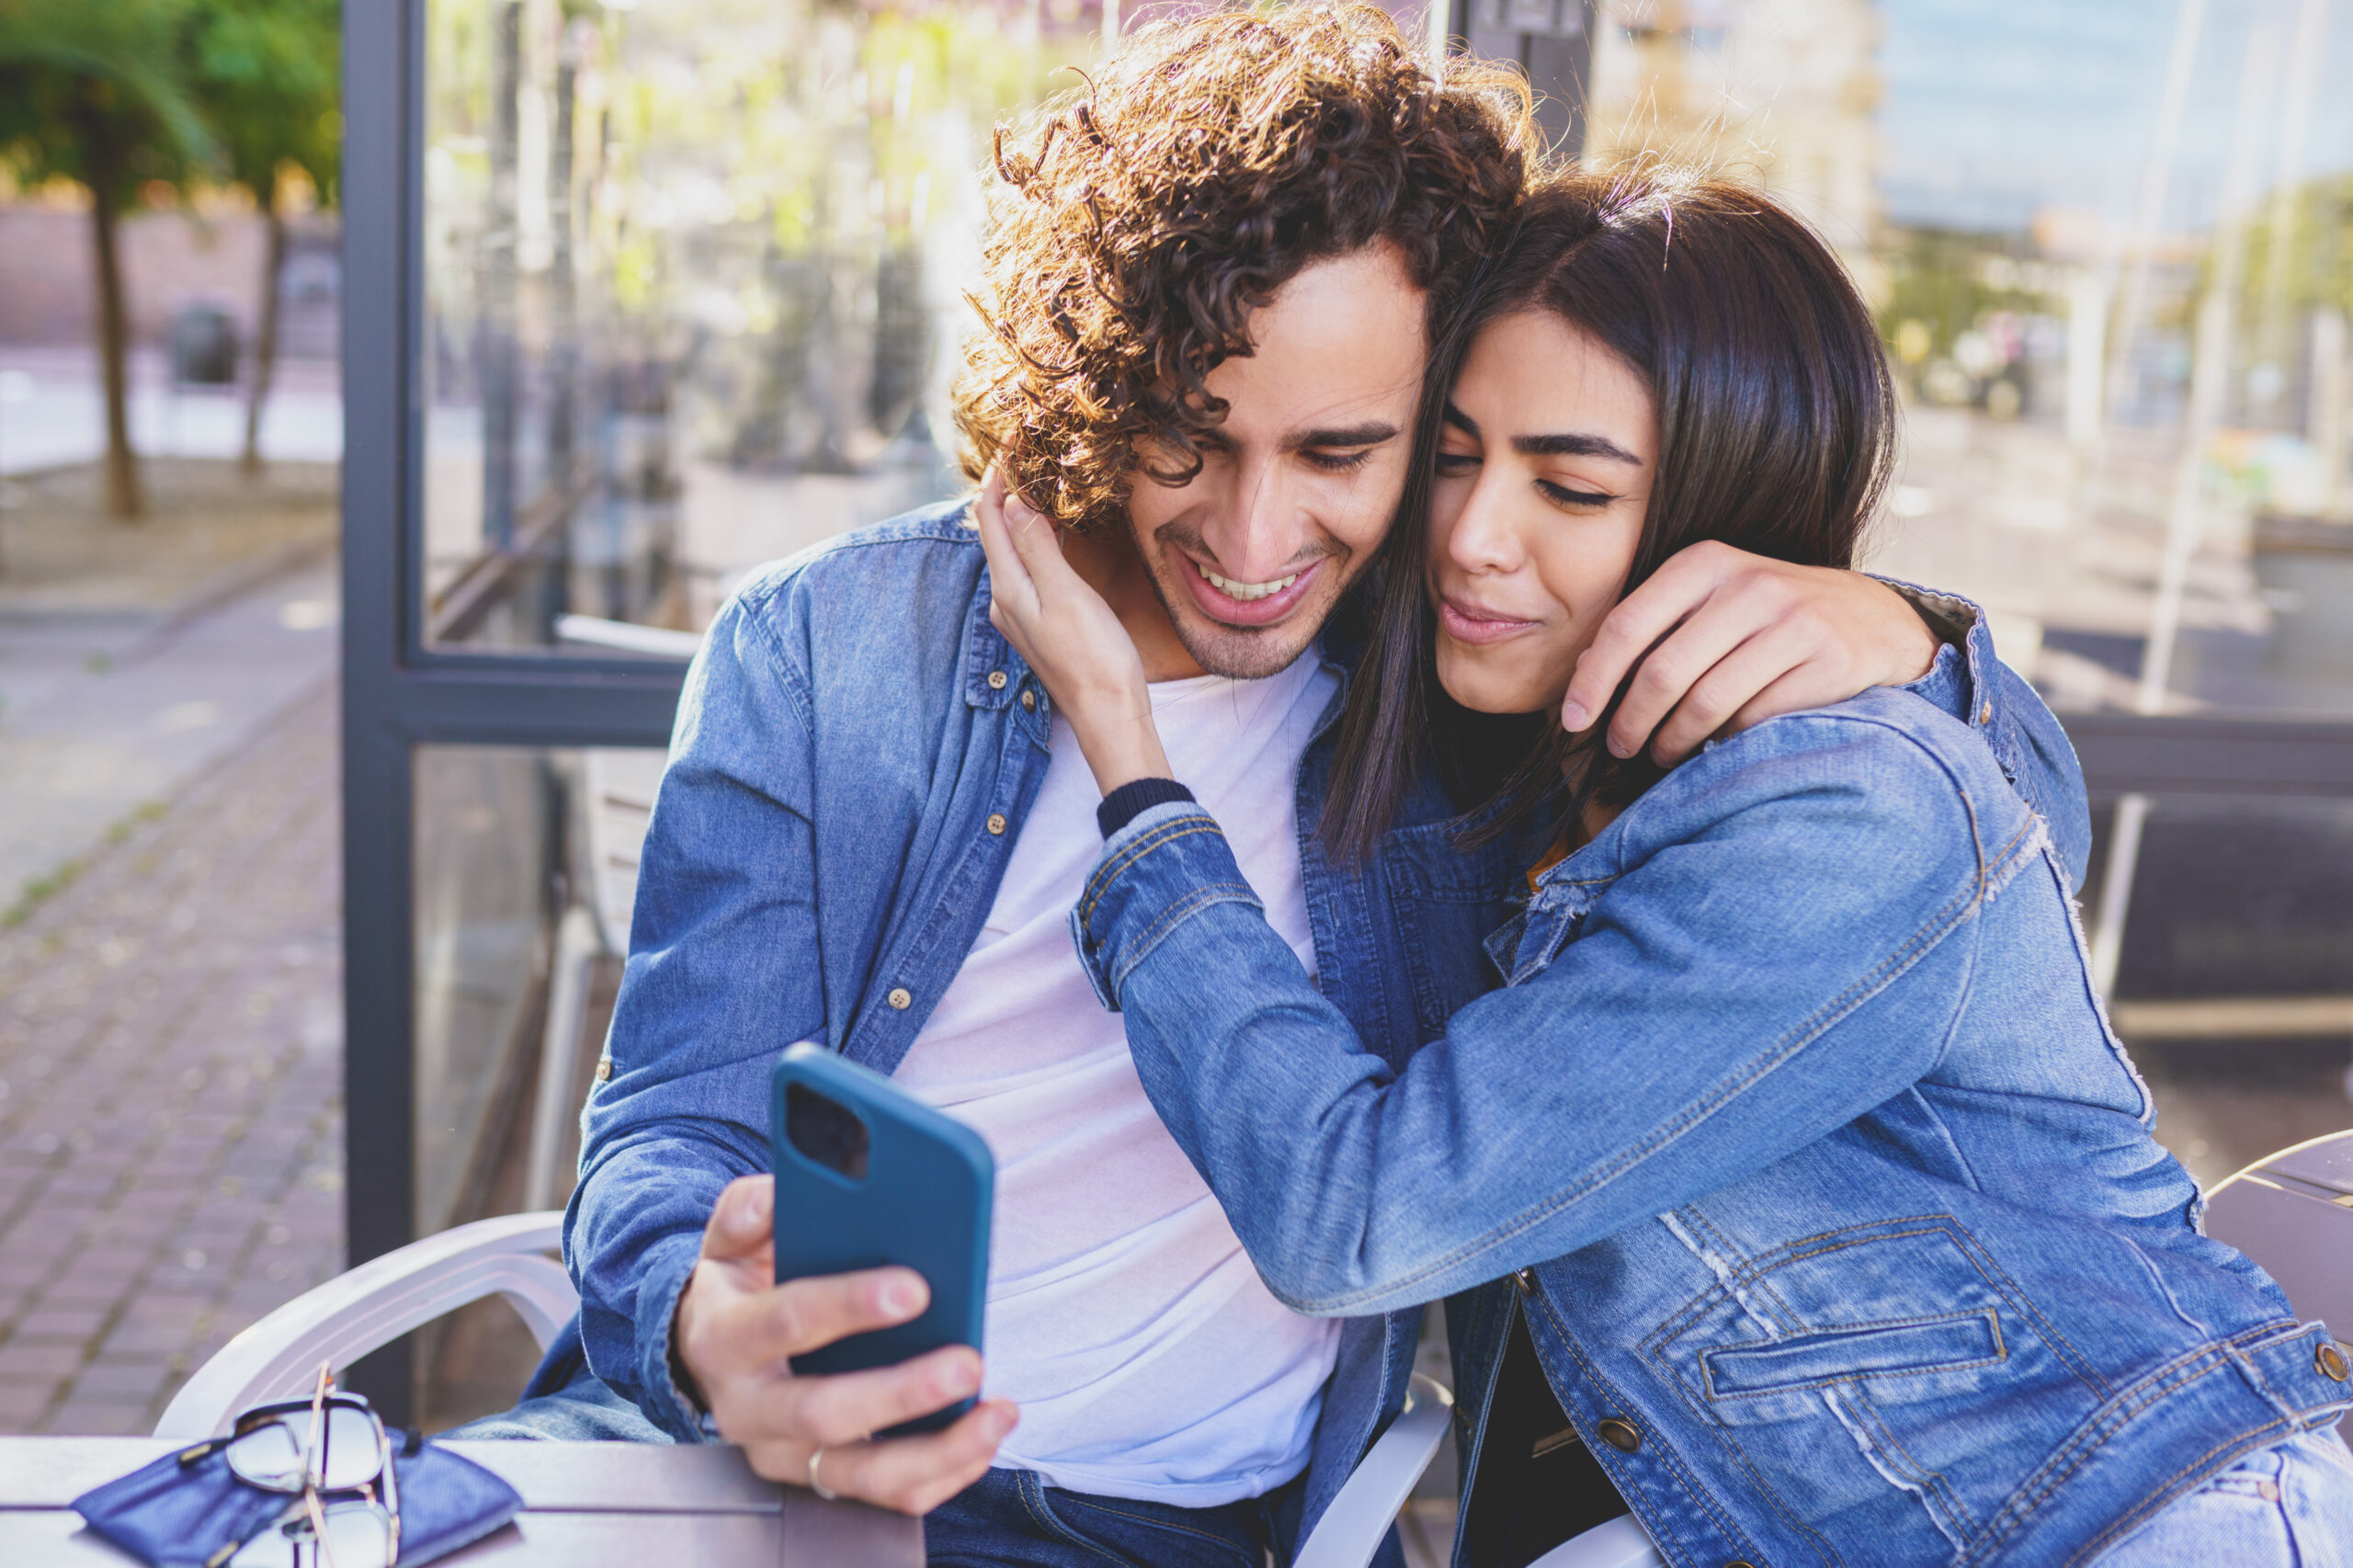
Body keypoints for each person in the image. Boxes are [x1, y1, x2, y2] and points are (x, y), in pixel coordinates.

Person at [504, 11, 2080, 1563]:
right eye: (1188, 439)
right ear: (1095, 381)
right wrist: (708, 1326)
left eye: (1338, 453)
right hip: (731, 1468)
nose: (1254, 542)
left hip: (1142, 1531)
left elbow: (2013, 843)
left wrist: (1911, 639)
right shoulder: (831, 648)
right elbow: (668, 1127)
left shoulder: (1475, 685)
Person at [977, 168, 2353, 1566]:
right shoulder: (1520, 768)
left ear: (1725, 507)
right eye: (1451, 456)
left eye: (1570, 486)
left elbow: (1356, 1218)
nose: (1473, 537)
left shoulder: (1847, 809)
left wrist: (1131, 772)